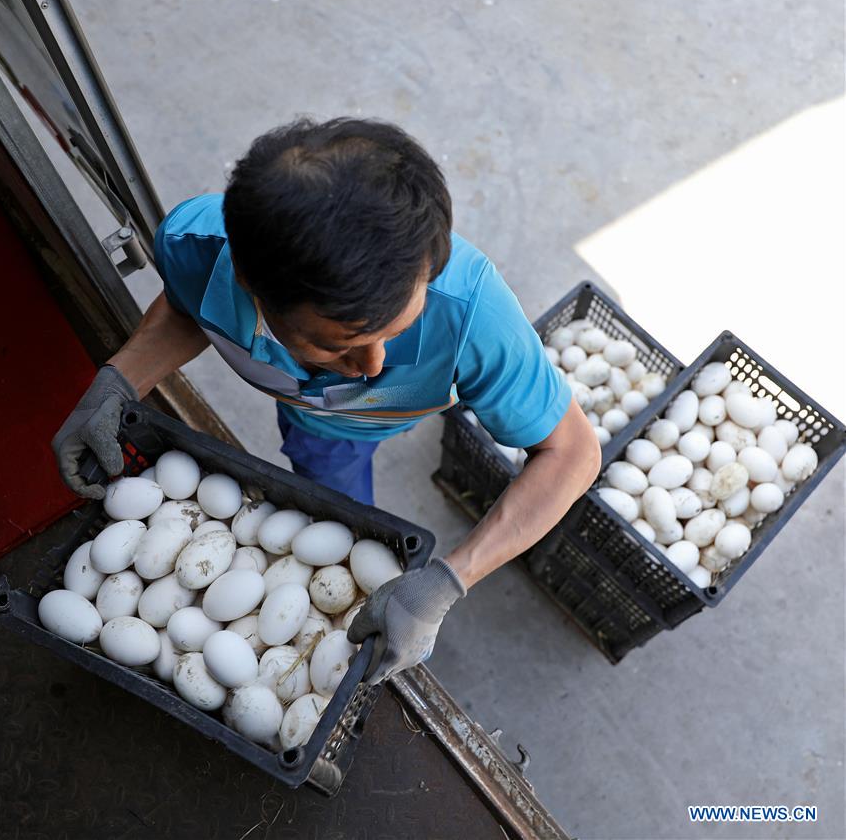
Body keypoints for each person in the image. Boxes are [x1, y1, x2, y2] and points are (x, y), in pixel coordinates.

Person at [52, 118, 601, 684]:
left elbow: (572, 452)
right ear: (250, 284)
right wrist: (119, 381)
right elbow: (188, 306)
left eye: (396, 331)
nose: (373, 368)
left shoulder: (473, 318)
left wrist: (446, 581)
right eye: (337, 346)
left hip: (361, 427)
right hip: (317, 429)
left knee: (350, 523)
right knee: (331, 498)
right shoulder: (197, 248)